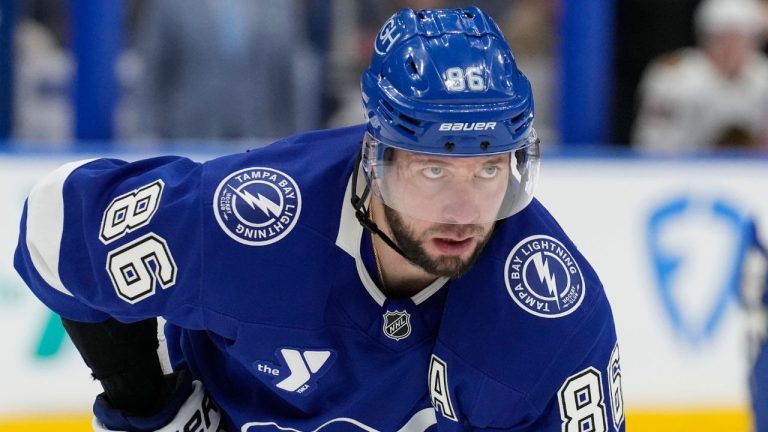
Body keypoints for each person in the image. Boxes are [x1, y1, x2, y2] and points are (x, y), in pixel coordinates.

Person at [14, 7, 625, 431]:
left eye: (488, 169)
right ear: (376, 159)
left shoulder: (552, 320)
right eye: (434, 170)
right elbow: (54, 221)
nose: (466, 212)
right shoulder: (254, 220)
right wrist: (146, 402)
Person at [631, 0, 768, 152]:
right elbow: (652, 144)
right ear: (705, 39)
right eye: (723, 38)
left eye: (740, 39)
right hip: (684, 163)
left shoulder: (763, 77)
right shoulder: (675, 78)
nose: (732, 48)